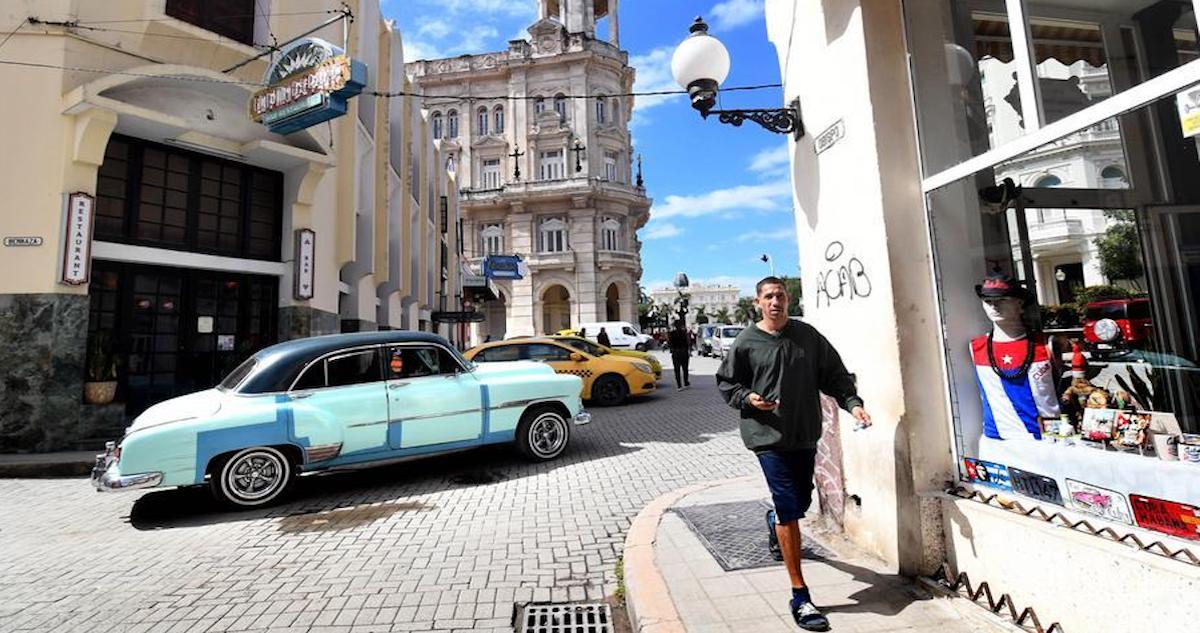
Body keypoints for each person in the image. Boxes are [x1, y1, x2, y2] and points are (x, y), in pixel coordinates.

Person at [716, 276, 872, 632]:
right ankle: (800, 595)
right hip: (767, 436)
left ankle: (775, 521)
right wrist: (749, 399)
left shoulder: (807, 336)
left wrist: (853, 405)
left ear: (788, 300)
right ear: (758, 302)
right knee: (790, 508)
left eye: (781, 296)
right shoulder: (746, 342)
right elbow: (727, 383)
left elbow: (834, 375)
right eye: (769, 296)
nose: (775, 302)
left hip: (804, 434)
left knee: (799, 502)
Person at [667, 319, 691, 390]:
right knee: (685, 368)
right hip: (684, 352)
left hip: (675, 352)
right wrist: (688, 350)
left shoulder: (671, 333)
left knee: (677, 369)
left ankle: (679, 385)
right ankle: (686, 382)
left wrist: (671, 349)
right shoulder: (684, 333)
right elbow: (687, 342)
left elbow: (669, 343)